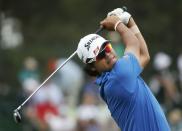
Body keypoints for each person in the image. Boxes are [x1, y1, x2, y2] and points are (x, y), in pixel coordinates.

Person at [76, 8, 170, 131]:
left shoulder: (115, 77)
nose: (108, 54)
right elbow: (133, 44)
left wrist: (129, 21)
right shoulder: (118, 76)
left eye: (107, 47)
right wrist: (118, 24)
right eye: (100, 55)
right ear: (92, 66)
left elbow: (143, 55)